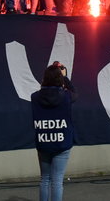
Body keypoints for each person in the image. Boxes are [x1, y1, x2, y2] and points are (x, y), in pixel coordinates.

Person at [32, 62, 76, 201]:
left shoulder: (35, 97)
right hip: (62, 144)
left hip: (44, 143)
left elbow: (42, 91)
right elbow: (74, 92)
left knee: (45, 179)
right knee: (57, 181)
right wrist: (65, 77)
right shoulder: (66, 96)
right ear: (60, 79)